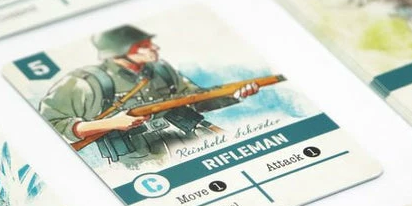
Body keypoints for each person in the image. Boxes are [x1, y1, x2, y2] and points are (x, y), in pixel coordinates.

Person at [38, 25, 258, 166]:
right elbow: (49, 123)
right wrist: (111, 123)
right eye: (143, 46)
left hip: (186, 136)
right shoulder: (85, 82)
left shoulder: (161, 70)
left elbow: (194, 99)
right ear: (119, 52)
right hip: (137, 158)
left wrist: (235, 95)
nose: (154, 48)